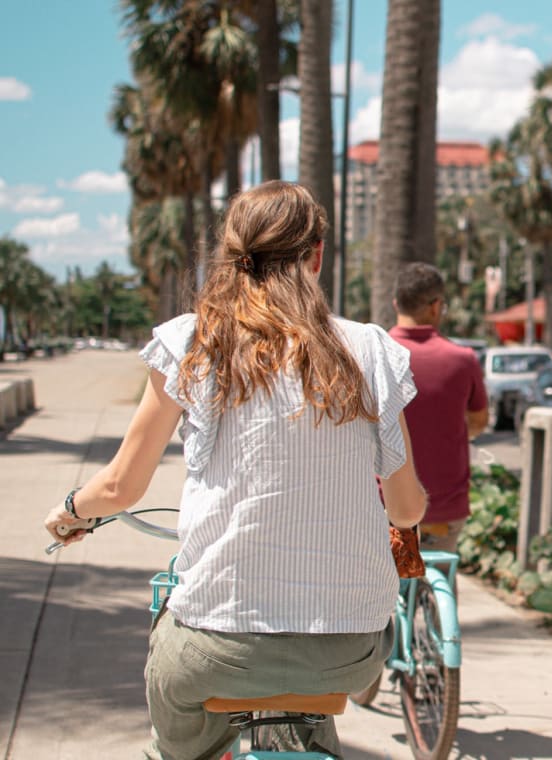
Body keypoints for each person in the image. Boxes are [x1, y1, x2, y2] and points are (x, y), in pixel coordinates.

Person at [42, 180, 426, 759]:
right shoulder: (370, 350)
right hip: (351, 645)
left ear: (234, 257)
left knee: (176, 729)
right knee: (314, 704)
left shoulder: (194, 342)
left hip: (218, 643)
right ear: (317, 256)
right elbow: (406, 509)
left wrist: (71, 512)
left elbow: (122, 485)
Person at [387, 262, 489, 554]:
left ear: (396, 304)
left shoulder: (374, 354)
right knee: (441, 572)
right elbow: (479, 423)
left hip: (387, 505)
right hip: (445, 506)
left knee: (389, 585)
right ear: (436, 307)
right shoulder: (462, 359)